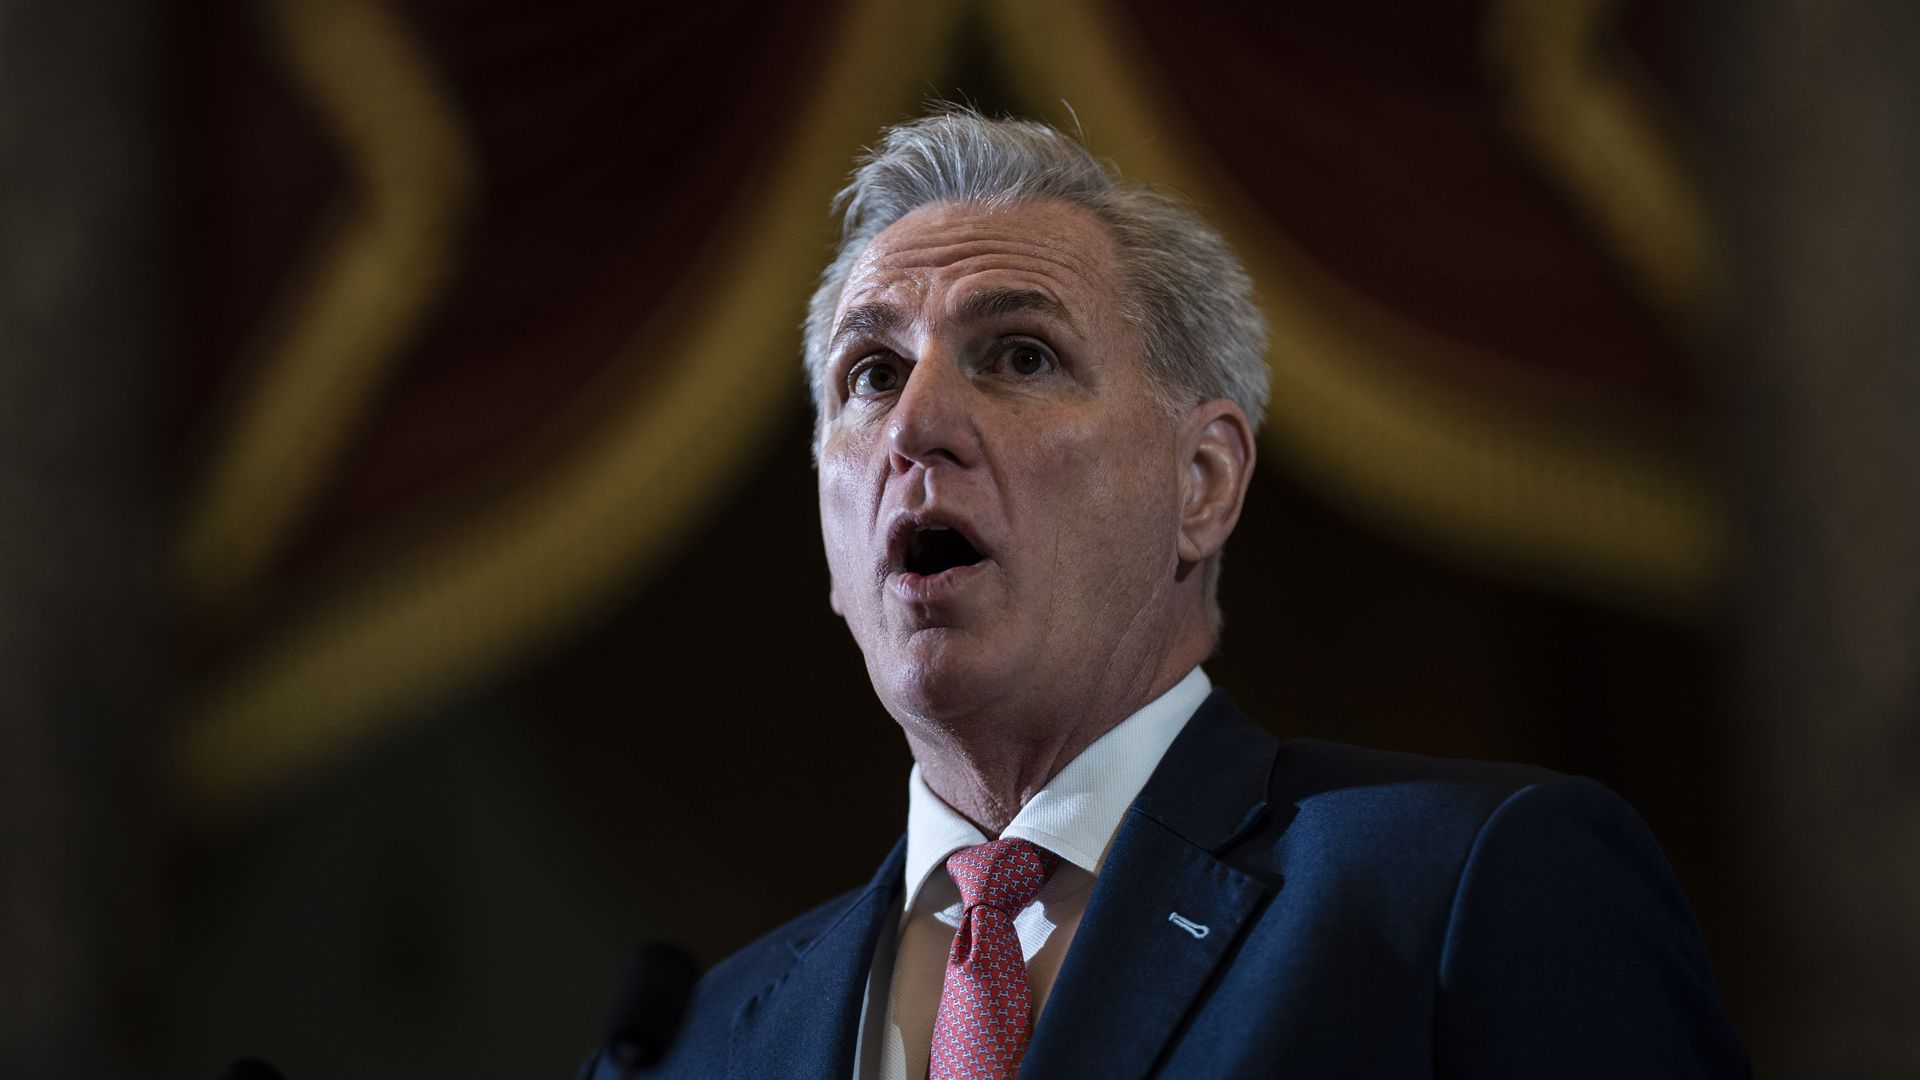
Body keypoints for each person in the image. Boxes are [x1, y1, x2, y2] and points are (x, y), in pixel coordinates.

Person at [578, 108, 1749, 1079]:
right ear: (833, 544)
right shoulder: (690, 1046)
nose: (916, 426)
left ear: (1203, 484)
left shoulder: (1467, 891)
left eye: (1020, 355)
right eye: (871, 375)